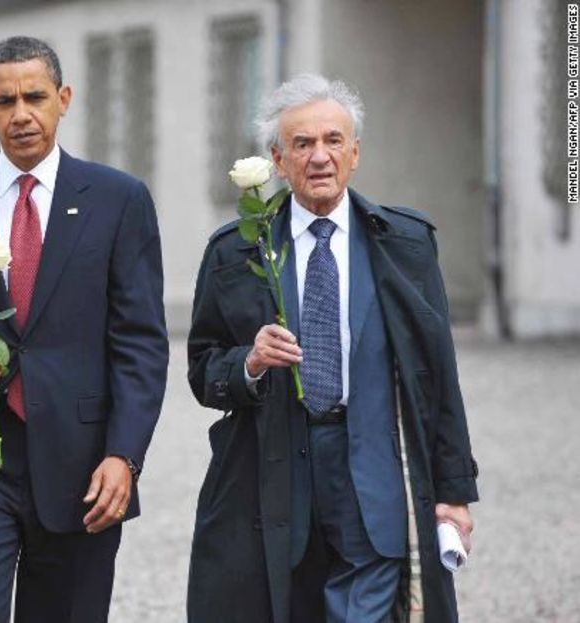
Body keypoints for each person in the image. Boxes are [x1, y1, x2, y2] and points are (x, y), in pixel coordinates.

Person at [187, 74, 479, 623]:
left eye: (333, 141)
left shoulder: (406, 245)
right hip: (271, 479)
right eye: (302, 144)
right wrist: (248, 363)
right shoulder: (235, 252)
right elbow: (202, 370)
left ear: (355, 153)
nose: (319, 156)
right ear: (277, 159)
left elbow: (437, 377)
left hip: (373, 475)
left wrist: (454, 491)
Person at [0, 36, 169, 622]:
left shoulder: (118, 200)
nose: (21, 114)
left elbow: (140, 344)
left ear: (63, 99)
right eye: (4, 101)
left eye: (35, 97)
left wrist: (125, 454)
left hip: (83, 466)